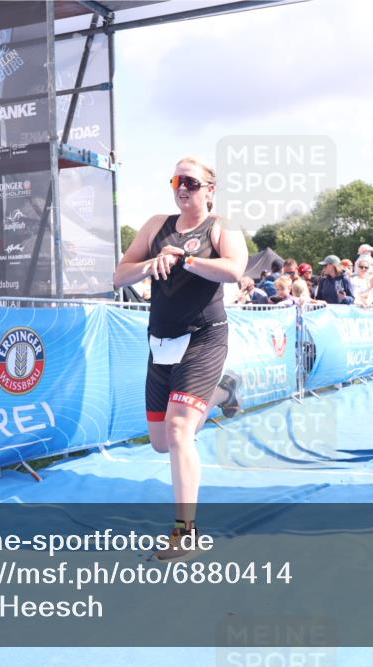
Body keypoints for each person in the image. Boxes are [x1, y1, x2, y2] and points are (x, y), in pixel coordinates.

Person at [113, 156, 247, 561]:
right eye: (175, 180)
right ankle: (223, 394)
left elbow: (234, 270)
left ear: (210, 188)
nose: (181, 187)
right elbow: (119, 275)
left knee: (177, 432)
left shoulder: (221, 227)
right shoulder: (157, 225)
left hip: (204, 338)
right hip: (161, 341)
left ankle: (185, 531)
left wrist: (185, 259)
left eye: (190, 181)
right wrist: (149, 265)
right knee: (158, 443)